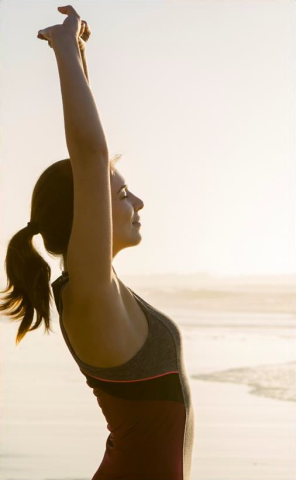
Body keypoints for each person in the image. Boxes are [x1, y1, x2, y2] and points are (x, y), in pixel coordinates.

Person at [0, 6, 194, 479]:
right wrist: (65, 52)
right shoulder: (89, 293)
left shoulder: (100, 288)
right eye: (124, 195)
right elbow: (91, 156)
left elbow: (94, 162)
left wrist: (80, 56)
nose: (139, 203)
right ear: (85, 213)